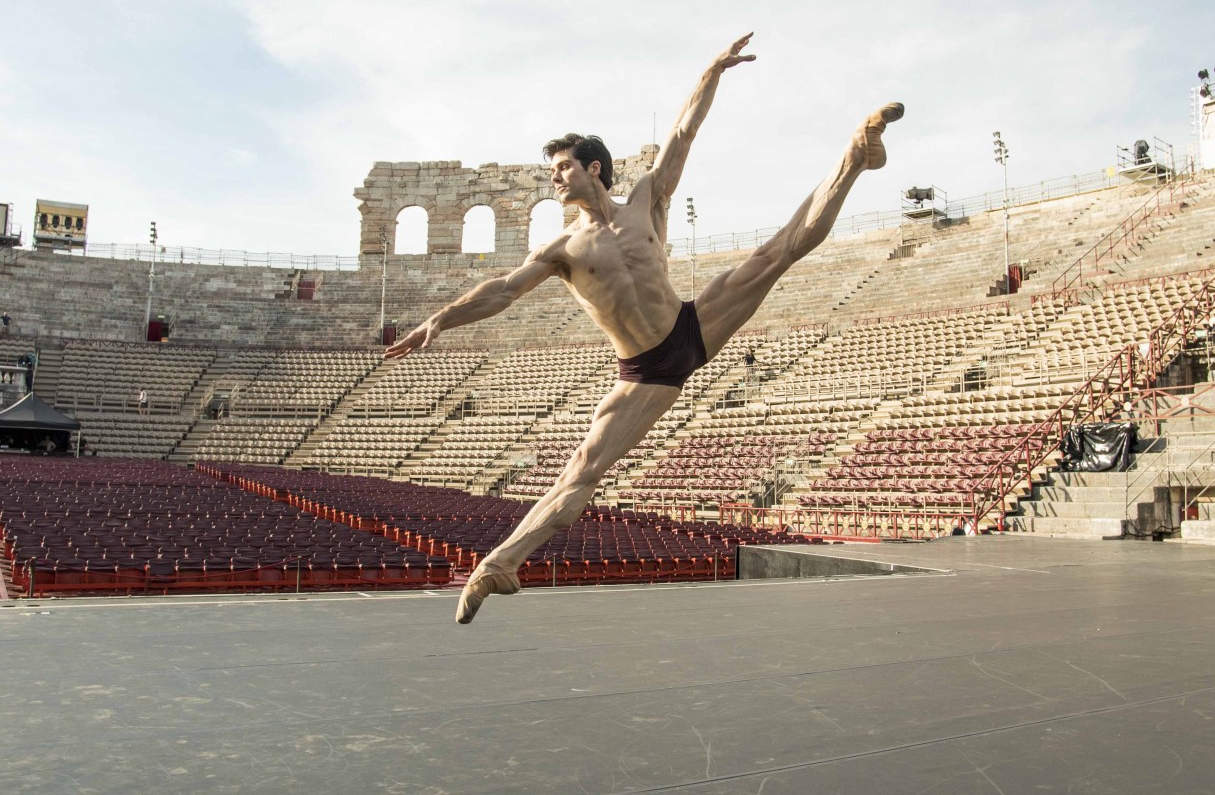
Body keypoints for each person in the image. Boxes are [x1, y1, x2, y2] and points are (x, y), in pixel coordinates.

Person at [385, 34, 903, 623]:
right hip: (646, 370)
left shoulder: (647, 201)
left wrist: (712, 70)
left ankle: (857, 155)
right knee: (582, 471)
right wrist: (440, 319)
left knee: (777, 253)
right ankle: (499, 566)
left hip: (691, 327)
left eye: (562, 168)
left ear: (592, 169)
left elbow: (683, 134)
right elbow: (502, 290)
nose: (555, 179)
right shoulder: (563, 247)